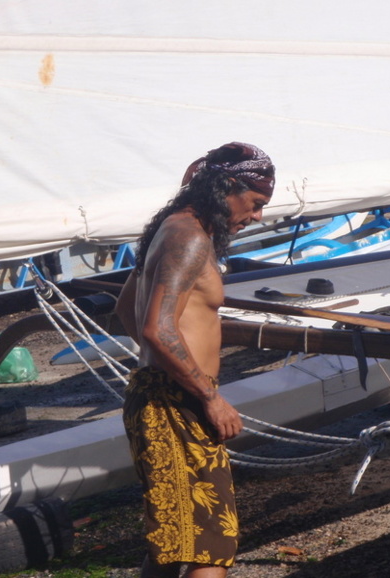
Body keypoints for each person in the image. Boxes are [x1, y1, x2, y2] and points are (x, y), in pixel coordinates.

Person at [115, 142, 275, 578]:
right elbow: (156, 328)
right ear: (227, 186)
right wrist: (209, 396)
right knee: (210, 546)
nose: (258, 215)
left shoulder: (172, 229)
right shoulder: (189, 237)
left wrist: (161, 362)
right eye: (256, 203)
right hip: (177, 402)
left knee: (179, 539)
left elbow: (126, 309)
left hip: (166, 393)